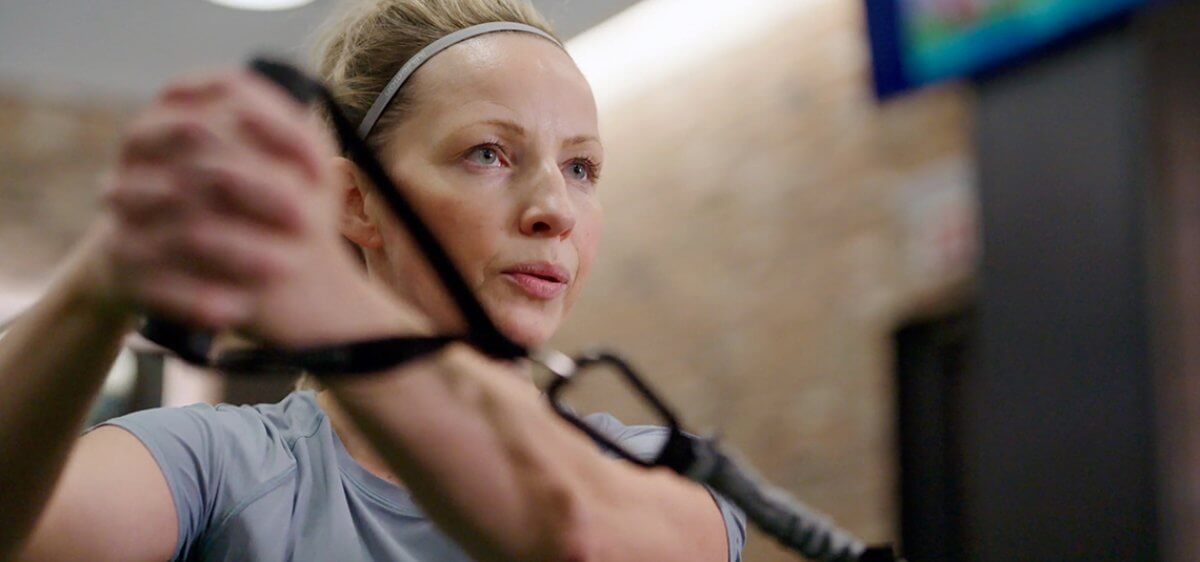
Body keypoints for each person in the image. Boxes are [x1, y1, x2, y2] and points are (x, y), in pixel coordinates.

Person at [0, 0, 747, 560]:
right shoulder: (220, 466)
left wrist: (314, 292)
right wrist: (99, 281)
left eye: (581, 167)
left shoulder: (651, 471)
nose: (555, 209)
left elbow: (581, 537)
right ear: (356, 202)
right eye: (488, 153)